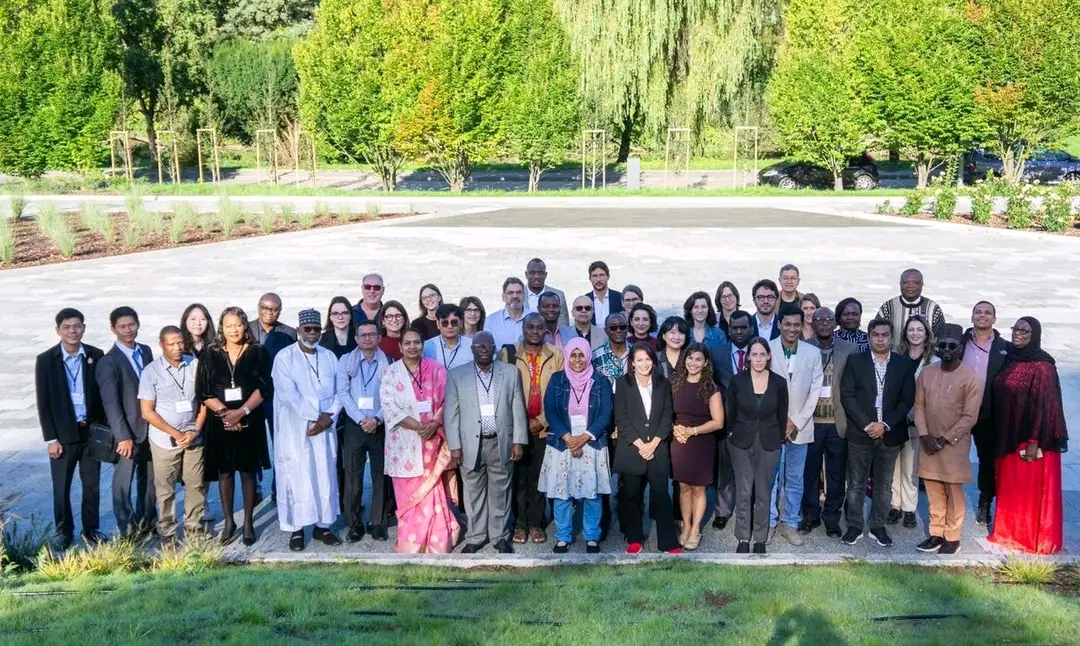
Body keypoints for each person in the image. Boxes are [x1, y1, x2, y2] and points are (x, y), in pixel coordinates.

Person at [988, 317, 1068, 555]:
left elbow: (1047, 405)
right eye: (1015, 329)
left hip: (1030, 442)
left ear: (1035, 335)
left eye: (1024, 330)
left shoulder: (1043, 366)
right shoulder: (1011, 358)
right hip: (1009, 435)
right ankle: (1009, 534)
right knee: (1011, 490)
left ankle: (1033, 539)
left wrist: (1034, 442)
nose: (1017, 333)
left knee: (1029, 493)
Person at [445, 331, 528, 554]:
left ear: (494, 348)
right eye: (479, 346)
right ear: (472, 349)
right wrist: (454, 446)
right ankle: (475, 536)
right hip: (470, 443)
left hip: (501, 441)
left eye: (488, 346)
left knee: (501, 490)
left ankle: (500, 536)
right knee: (473, 492)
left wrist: (518, 440)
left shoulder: (510, 373)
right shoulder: (456, 376)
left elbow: (517, 407)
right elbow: (451, 414)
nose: (484, 350)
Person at [380, 328, 461, 553]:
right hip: (403, 445)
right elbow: (388, 407)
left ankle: (436, 540)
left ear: (422, 345)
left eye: (417, 342)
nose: (412, 346)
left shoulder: (436, 370)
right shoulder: (391, 373)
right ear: (400, 347)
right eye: (408, 343)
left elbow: (449, 399)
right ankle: (412, 543)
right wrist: (417, 426)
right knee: (408, 494)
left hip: (431, 442)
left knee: (431, 491)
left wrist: (434, 424)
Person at [839, 318, 916, 548]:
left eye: (884, 335)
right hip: (861, 432)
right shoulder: (855, 361)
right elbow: (847, 397)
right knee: (855, 483)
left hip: (890, 433)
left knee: (884, 485)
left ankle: (877, 526)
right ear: (869, 336)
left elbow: (906, 400)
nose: (880, 339)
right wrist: (867, 425)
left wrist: (885, 425)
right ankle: (854, 525)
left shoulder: (903, 364)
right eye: (875, 335)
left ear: (891, 337)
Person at [196, 307, 270, 545]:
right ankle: (229, 521)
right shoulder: (210, 353)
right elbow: (203, 390)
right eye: (228, 326)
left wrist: (241, 412)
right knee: (225, 473)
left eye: (237, 324)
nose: (233, 330)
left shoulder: (258, 351)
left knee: (248, 472)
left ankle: (248, 522)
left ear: (245, 325)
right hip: (221, 423)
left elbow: (264, 387)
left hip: (250, 419)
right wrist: (227, 414)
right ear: (221, 328)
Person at [35, 308, 107, 550]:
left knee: (91, 484)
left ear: (84, 328)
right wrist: (51, 439)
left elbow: (103, 394)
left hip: (90, 433)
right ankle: (64, 532)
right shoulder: (46, 360)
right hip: (63, 436)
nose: (72, 331)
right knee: (61, 487)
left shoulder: (96, 355)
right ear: (58, 331)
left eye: (77, 326)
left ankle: (91, 529)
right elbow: (43, 403)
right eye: (66, 327)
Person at [272, 310, 343, 551]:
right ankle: (297, 529)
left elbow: (340, 390)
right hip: (296, 429)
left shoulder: (330, 357)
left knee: (324, 475)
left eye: (316, 329)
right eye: (307, 329)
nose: (312, 333)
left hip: (325, 428)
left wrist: (328, 418)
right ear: (298, 330)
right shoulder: (284, 358)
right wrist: (316, 416)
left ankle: (323, 527)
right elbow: (288, 394)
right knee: (297, 476)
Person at [913, 324, 983, 555]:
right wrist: (924, 435)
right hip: (928, 442)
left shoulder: (970, 379)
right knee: (933, 489)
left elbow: (969, 417)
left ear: (960, 348)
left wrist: (943, 439)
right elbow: (919, 405)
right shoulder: (927, 372)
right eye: (942, 346)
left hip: (953, 444)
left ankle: (952, 536)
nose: (946, 350)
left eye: (952, 346)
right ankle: (936, 533)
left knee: (953, 491)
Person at [539, 338, 613, 553]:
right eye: (573, 354)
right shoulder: (557, 379)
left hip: (592, 444)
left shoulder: (600, 380)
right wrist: (568, 437)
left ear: (588, 356)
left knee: (593, 493)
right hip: (562, 444)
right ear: (567, 356)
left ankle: (592, 536)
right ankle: (563, 536)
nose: (578, 360)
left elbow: (606, 412)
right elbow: (550, 410)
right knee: (562, 493)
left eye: (582, 355)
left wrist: (585, 437)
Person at [138, 325, 207, 546]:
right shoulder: (151, 371)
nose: (177, 348)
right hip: (164, 440)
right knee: (165, 489)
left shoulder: (195, 364)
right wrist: (176, 433)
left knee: (196, 484)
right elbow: (147, 412)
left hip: (193, 437)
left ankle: (194, 528)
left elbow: (205, 400)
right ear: (161, 345)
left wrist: (195, 429)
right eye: (172, 344)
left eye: (180, 343)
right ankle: (167, 532)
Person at [500, 313, 564, 544]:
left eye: (539, 328)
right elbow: (502, 392)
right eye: (530, 327)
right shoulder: (508, 354)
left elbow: (560, 391)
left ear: (546, 330)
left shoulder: (556, 355)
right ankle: (519, 525)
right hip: (516, 428)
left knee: (539, 477)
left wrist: (542, 420)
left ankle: (536, 524)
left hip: (545, 428)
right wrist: (520, 423)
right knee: (517, 478)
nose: (535, 331)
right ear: (523, 328)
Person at [613, 344, 681, 554]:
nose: (644, 364)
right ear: (632, 362)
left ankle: (668, 543)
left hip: (657, 448)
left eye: (648, 359)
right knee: (631, 496)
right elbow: (621, 418)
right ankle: (635, 539)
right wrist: (641, 444)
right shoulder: (623, 384)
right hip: (632, 447)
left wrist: (654, 443)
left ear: (653, 361)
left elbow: (667, 415)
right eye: (639, 360)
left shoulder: (663, 384)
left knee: (662, 495)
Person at [97, 306, 156, 538]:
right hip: (128, 434)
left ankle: (148, 521)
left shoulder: (146, 351)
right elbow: (110, 403)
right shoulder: (108, 362)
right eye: (122, 326)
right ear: (114, 329)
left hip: (152, 428)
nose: (128, 330)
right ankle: (128, 528)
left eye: (131, 325)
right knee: (124, 482)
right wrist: (123, 436)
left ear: (138, 324)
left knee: (150, 479)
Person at [725, 338, 788, 554]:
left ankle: (760, 538)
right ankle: (743, 537)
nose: (759, 359)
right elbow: (730, 412)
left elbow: (782, 414)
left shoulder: (779, 382)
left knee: (763, 493)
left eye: (763, 354)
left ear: (769, 356)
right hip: (741, 442)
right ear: (748, 357)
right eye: (755, 354)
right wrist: (732, 432)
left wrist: (779, 438)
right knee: (743, 492)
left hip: (769, 443)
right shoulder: (737, 381)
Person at [768, 306, 824, 547]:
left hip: (801, 428)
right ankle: (769, 522)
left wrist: (796, 421)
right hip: (772, 426)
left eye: (796, 325)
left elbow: (815, 390)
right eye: (787, 324)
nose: (792, 329)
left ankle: (790, 522)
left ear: (802, 326)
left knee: (794, 478)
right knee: (771, 479)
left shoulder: (812, 353)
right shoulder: (767, 349)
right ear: (779, 324)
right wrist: (780, 421)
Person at [801, 307, 858, 538]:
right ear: (812, 324)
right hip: (811, 422)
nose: (824, 323)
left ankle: (832, 519)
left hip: (838, 421)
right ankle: (811, 516)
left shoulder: (850, 350)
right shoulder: (804, 349)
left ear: (835, 323)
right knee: (810, 472)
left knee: (836, 474)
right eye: (819, 319)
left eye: (828, 319)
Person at [337, 320, 391, 542]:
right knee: (352, 476)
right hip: (355, 425)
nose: (368, 338)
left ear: (379, 337)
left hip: (380, 424)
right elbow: (342, 393)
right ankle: (354, 523)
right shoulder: (346, 361)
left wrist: (377, 418)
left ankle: (377, 522)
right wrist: (361, 419)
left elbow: (391, 394)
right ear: (356, 339)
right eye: (363, 335)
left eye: (372, 334)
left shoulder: (388, 362)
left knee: (380, 476)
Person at [960, 301, 1011, 527]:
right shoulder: (959, 343)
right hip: (959, 411)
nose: (982, 316)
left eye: (987, 313)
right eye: (978, 312)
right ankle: (949, 502)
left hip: (988, 412)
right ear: (971, 317)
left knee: (986, 460)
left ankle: (984, 502)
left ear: (994, 319)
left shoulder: (1005, 348)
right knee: (952, 456)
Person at [671, 343, 725, 550]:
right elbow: (668, 412)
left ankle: (695, 529)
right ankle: (685, 526)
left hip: (701, 443)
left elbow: (718, 422)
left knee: (698, 489)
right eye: (690, 358)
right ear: (685, 360)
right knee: (683, 487)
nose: (693, 363)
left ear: (706, 363)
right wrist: (675, 429)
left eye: (698, 359)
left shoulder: (711, 388)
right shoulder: (676, 384)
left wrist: (692, 431)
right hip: (680, 443)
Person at [887, 315, 938, 528]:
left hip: (918, 421)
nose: (915, 333)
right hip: (896, 419)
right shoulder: (897, 357)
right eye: (911, 330)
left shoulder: (934, 362)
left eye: (919, 330)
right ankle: (894, 505)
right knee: (893, 464)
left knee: (910, 466)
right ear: (905, 334)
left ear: (926, 334)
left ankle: (909, 508)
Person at [708, 309, 754, 531]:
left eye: (743, 327)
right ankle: (723, 511)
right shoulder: (716, 354)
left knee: (751, 471)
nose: (738, 332)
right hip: (726, 423)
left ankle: (750, 511)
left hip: (754, 422)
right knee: (725, 471)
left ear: (751, 329)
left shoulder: (759, 352)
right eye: (734, 328)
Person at [877, 268, 947, 345]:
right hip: (895, 356)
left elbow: (941, 338)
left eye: (915, 283)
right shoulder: (888, 307)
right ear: (900, 284)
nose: (910, 286)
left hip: (925, 356)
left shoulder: (933, 308)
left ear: (922, 284)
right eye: (905, 282)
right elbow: (876, 333)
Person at [423, 304, 473, 371]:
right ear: (438, 324)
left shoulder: (472, 345)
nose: (450, 326)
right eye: (445, 323)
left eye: (454, 322)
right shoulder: (426, 347)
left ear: (461, 323)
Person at [484, 277, 528, 350]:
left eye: (519, 292)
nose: (515, 296)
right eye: (510, 293)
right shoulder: (491, 321)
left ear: (524, 296)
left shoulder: (534, 317)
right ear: (503, 297)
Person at [524, 258, 569, 326]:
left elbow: (563, 326)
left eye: (540, 273)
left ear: (545, 275)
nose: (536, 276)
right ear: (526, 274)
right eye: (532, 273)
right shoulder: (516, 295)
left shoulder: (558, 295)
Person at [592, 313, 631, 387]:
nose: (618, 330)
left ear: (627, 328)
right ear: (606, 330)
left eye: (622, 327)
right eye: (613, 327)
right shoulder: (595, 357)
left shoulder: (637, 353)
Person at [584, 261, 622, 327]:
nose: (598, 279)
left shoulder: (619, 298)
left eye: (601, 275)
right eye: (595, 276)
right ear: (590, 279)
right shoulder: (585, 300)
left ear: (608, 277)